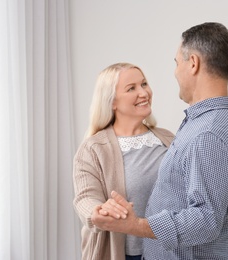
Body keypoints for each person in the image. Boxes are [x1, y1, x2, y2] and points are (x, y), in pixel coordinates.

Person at [91, 22, 228, 260]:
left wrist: (136, 226)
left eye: (177, 63)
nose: (176, 72)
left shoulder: (208, 134)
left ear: (193, 63)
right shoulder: (204, 124)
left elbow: (205, 220)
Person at [73, 62, 175, 260]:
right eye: (132, 88)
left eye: (144, 84)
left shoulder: (168, 139)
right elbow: (85, 197)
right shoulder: (93, 148)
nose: (144, 93)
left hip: (167, 253)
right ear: (112, 101)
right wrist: (99, 210)